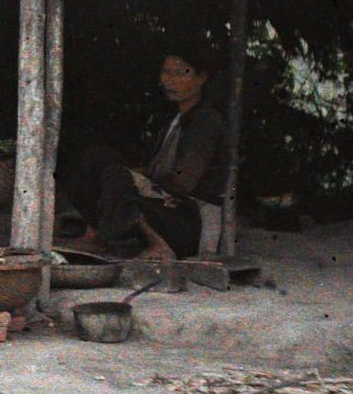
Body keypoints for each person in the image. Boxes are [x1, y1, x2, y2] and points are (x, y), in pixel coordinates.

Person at [58, 47, 227, 263]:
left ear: (201, 77)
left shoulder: (206, 122)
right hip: (164, 202)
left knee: (116, 176)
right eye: (166, 72)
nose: (171, 80)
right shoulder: (173, 118)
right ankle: (95, 235)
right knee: (97, 159)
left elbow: (183, 183)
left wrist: (136, 180)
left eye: (182, 73)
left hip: (188, 215)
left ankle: (160, 246)